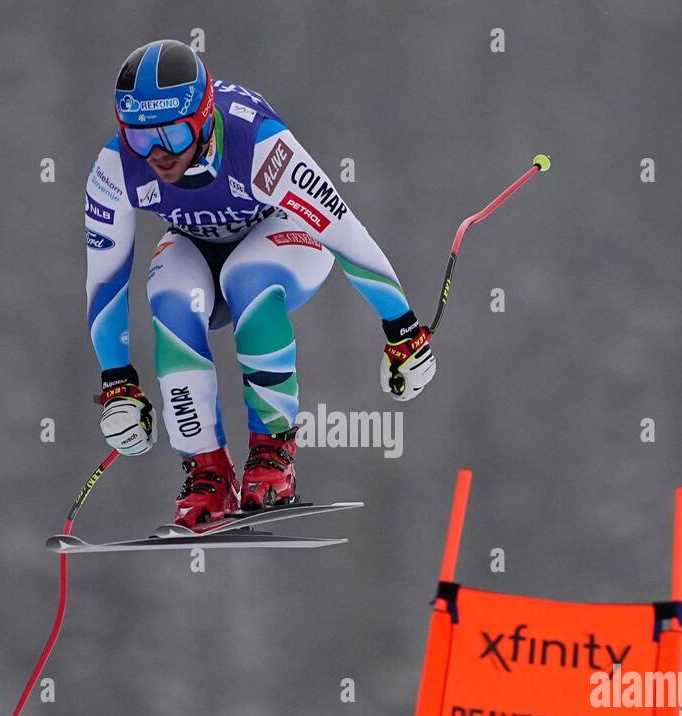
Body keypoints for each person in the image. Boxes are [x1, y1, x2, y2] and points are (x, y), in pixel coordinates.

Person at [85, 39, 435, 527]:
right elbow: (106, 282)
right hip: (196, 241)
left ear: (204, 119)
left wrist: (403, 327)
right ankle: (206, 471)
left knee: (248, 279)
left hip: (287, 238)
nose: (158, 154)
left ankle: (273, 453)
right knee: (169, 296)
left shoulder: (259, 145)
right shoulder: (114, 169)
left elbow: (342, 229)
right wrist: (117, 383)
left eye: (171, 135)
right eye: (140, 139)